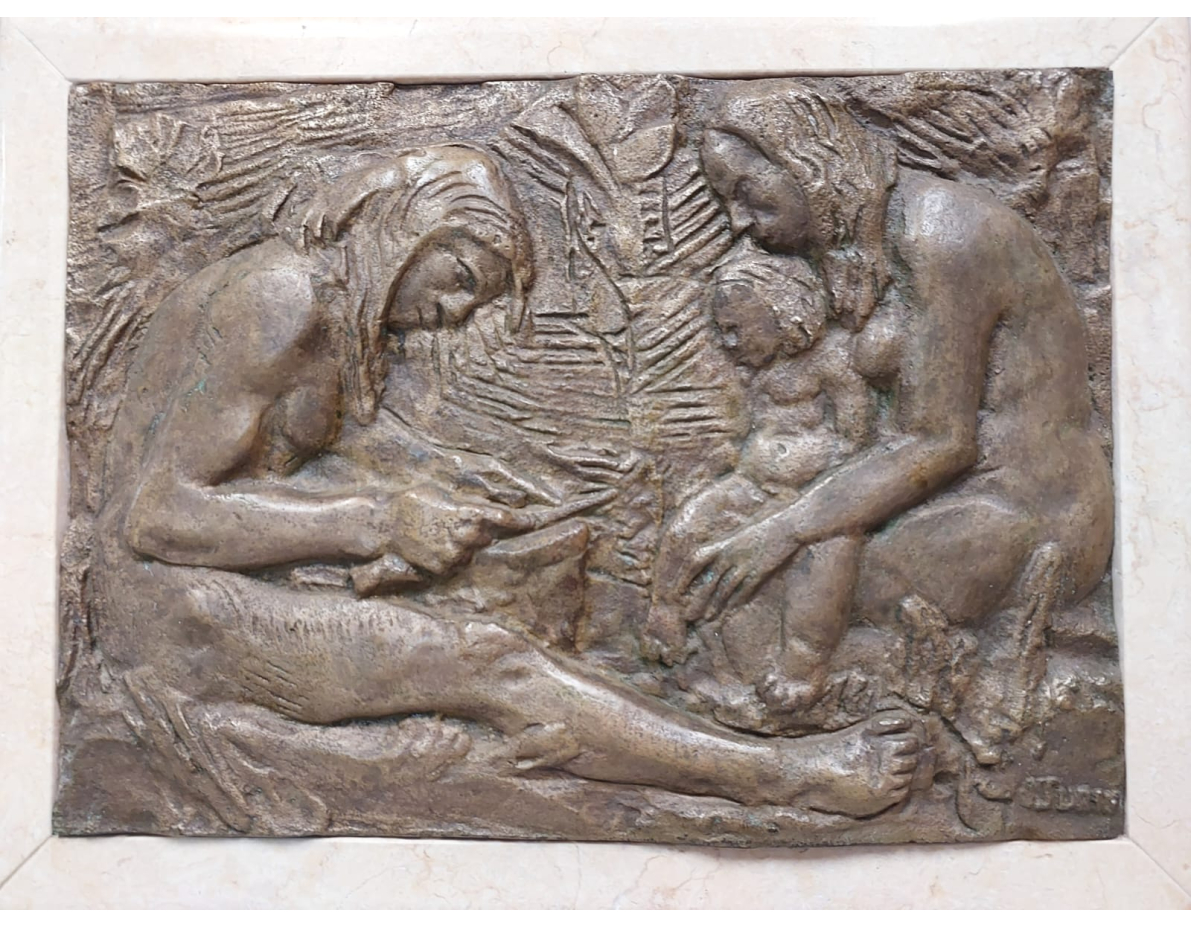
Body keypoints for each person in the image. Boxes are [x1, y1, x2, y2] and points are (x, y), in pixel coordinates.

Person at [90, 143, 922, 818]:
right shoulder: (279, 297)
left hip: (222, 584)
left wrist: (470, 482)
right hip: (176, 612)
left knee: (528, 605)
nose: (456, 312)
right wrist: (378, 522)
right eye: (460, 279)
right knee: (491, 659)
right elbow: (158, 517)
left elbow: (290, 460)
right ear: (413, 232)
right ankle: (785, 780)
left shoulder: (324, 301)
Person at [678, 84, 1113, 743]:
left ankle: (872, 698)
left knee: (765, 589)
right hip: (942, 500)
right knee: (719, 558)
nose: (739, 220)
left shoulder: (943, 235)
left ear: (807, 164)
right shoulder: (872, 238)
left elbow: (939, 443)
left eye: (746, 192)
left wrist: (784, 529)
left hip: (1023, 513)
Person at [647, 246, 870, 714]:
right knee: (688, 525)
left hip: (809, 497)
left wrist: (817, 472)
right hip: (750, 487)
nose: (727, 342)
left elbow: (857, 437)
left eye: (736, 329)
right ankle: (664, 610)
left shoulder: (831, 362)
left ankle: (802, 664)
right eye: (722, 329)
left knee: (821, 561)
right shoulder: (761, 371)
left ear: (782, 313)